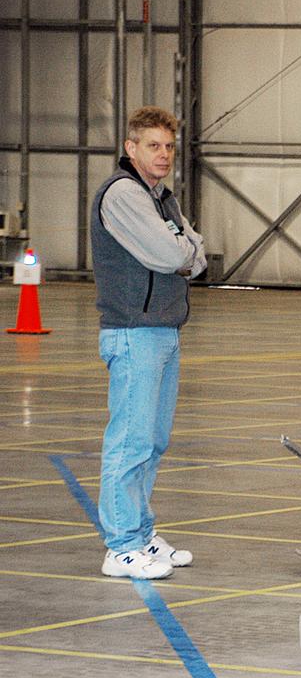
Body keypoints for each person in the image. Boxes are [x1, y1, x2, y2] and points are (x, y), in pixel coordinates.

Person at [91, 106, 206, 580]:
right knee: (130, 442)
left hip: (162, 330)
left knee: (153, 442)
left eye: (169, 146)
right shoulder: (123, 194)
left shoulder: (161, 198)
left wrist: (182, 250)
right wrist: (181, 249)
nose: (163, 155)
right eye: (153, 146)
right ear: (130, 148)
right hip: (134, 333)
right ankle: (120, 546)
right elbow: (171, 253)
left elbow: (197, 255)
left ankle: (140, 535)